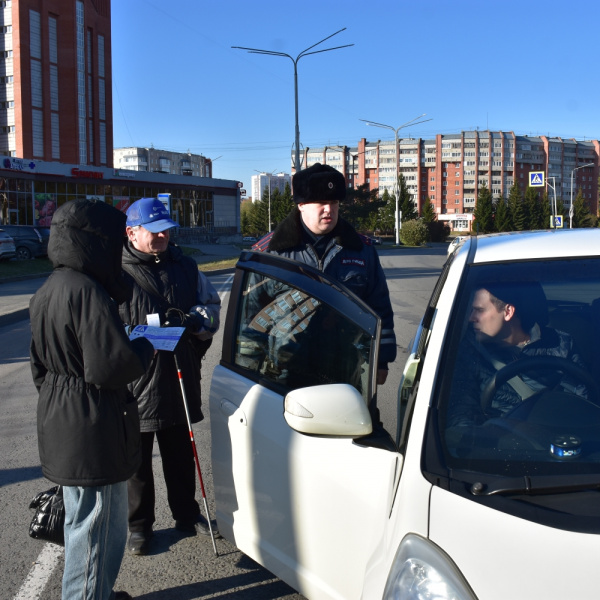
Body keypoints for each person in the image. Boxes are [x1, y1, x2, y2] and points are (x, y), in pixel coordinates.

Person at [29, 199, 155, 600]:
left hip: (63, 417)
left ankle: (96, 592)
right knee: (95, 528)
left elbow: (39, 368)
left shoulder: (49, 287)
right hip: (93, 424)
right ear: (96, 243)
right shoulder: (87, 291)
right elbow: (111, 367)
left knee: (83, 521)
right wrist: (145, 345)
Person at [118, 197, 221, 556]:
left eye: (166, 230)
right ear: (132, 232)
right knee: (137, 464)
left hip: (179, 373)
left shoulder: (186, 266)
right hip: (136, 383)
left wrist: (197, 320)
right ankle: (139, 527)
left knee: (180, 454)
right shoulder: (115, 273)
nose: (163, 236)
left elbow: (212, 308)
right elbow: (106, 326)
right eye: (154, 230)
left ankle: (187, 514)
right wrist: (137, 336)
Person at [260, 162, 396, 400]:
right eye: (321, 202)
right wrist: (246, 367)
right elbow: (252, 317)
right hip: (284, 374)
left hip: (343, 372)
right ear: (301, 205)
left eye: (334, 203)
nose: (329, 210)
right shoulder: (271, 252)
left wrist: (382, 361)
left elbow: (379, 307)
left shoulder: (361, 251)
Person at [447, 281, 588, 428]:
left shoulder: (560, 344)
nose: (471, 318)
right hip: (500, 438)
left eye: (479, 310)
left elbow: (582, 403)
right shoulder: (470, 352)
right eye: (471, 310)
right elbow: (460, 414)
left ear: (508, 312)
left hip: (559, 434)